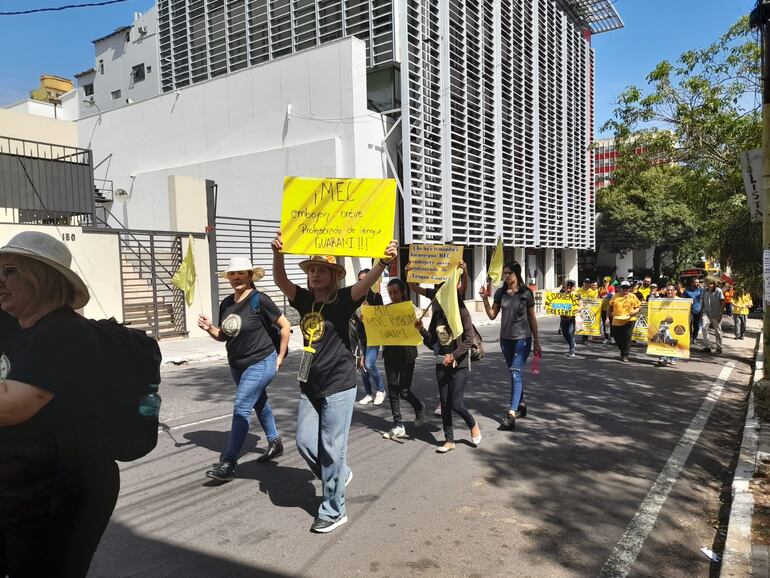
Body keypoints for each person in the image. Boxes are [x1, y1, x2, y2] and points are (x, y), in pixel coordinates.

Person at [0, 231, 119, 577]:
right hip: (17, 488)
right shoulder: (11, 325)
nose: (0, 280)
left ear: (41, 277)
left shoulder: (65, 333)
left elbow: (11, 407)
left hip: (63, 490)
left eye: (10, 271)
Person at [271, 233, 398, 533]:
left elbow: (365, 285)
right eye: (311, 270)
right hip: (310, 383)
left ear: (333, 275)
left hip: (339, 383)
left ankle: (333, 509)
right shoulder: (303, 300)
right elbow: (280, 280)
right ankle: (339, 474)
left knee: (331, 447)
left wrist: (382, 261)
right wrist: (278, 253)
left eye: (321, 270)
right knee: (304, 442)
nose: (314, 274)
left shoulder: (343, 300)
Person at [197, 257, 291, 482]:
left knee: (241, 408)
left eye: (241, 273)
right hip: (237, 365)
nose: (236, 278)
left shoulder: (260, 299)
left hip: (261, 361)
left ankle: (228, 462)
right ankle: (275, 442)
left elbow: (285, 326)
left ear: (250, 276)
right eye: (232, 274)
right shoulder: (226, 303)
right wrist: (210, 327)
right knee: (260, 402)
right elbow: (223, 336)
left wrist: (279, 357)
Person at [480, 261, 541, 431]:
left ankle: (511, 413)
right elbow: (492, 315)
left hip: (523, 339)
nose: (506, 276)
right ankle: (521, 405)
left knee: (515, 372)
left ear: (516, 274)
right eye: (505, 273)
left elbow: (532, 318)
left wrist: (537, 342)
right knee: (515, 373)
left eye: (509, 273)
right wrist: (485, 299)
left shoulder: (526, 293)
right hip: (505, 339)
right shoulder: (500, 293)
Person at [417, 292, 481, 453]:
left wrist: (453, 356)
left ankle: (472, 424)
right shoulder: (437, 314)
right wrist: (421, 330)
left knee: (456, 403)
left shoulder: (461, 311)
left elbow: (468, 339)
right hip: (441, 363)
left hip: (459, 364)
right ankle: (449, 440)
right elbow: (432, 341)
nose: (439, 300)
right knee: (444, 403)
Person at [408, 260, 468, 417]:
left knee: (452, 364)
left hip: (454, 332)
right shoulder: (434, 293)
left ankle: (451, 400)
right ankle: (444, 400)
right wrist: (410, 273)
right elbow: (414, 287)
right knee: (441, 362)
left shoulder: (454, 294)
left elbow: (463, 289)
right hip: (439, 332)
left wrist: (465, 272)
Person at [380, 278, 425, 440]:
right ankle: (398, 425)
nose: (393, 296)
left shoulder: (411, 309)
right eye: (390, 293)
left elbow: (419, 326)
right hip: (390, 354)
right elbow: (377, 328)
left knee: (404, 390)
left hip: (407, 354)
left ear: (402, 292)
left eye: (396, 292)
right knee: (392, 388)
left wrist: (418, 322)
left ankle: (419, 407)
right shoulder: (385, 310)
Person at [353, 268, 386, 406]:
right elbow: (353, 319)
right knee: (362, 366)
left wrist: (369, 313)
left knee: (369, 363)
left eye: (365, 279)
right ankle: (368, 393)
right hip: (361, 336)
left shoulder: (376, 297)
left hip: (373, 336)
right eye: (360, 280)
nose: (362, 282)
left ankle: (381, 389)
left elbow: (382, 318)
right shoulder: (355, 297)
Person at [608, 280, 642, 362]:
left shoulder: (632, 296)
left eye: (627, 288)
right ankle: (622, 349)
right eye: (623, 288)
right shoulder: (615, 296)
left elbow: (638, 307)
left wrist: (634, 312)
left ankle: (625, 355)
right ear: (620, 288)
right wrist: (607, 318)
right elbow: (610, 306)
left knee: (627, 337)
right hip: (617, 319)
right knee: (616, 336)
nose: (625, 290)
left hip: (629, 319)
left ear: (629, 288)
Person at [655, 284, 681, 366]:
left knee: (671, 340)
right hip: (664, 323)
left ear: (675, 291)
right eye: (668, 290)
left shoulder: (681, 301)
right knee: (663, 339)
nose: (669, 292)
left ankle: (673, 358)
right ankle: (663, 357)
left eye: (671, 290)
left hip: (676, 324)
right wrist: (655, 298)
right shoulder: (663, 300)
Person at [701, 279, 724, 354]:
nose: (709, 285)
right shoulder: (704, 291)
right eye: (708, 283)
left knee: (717, 331)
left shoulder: (718, 291)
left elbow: (722, 302)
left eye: (711, 283)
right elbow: (702, 301)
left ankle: (719, 348)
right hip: (706, 312)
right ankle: (706, 346)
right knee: (704, 328)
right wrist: (702, 310)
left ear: (714, 284)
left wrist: (720, 314)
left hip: (716, 313)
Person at [559, 279, 577, 357]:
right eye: (568, 285)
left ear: (574, 287)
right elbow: (556, 303)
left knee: (570, 333)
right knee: (564, 333)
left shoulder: (576, 295)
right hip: (563, 317)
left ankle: (572, 350)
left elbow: (581, 305)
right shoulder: (561, 294)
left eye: (571, 286)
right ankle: (571, 344)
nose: (569, 287)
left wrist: (577, 310)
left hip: (571, 318)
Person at [577, 278, 598, 344]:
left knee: (587, 323)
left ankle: (586, 337)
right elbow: (576, 298)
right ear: (583, 283)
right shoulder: (578, 291)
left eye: (588, 283)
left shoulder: (592, 291)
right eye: (585, 282)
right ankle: (584, 337)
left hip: (589, 309)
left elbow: (595, 299)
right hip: (581, 309)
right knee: (581, 323)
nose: (586, 284)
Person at [599, 275, 615, 344]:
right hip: (603, 308)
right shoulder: (600, 288)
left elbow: (611, 296)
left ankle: (612, 337)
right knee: (605, 323)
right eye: (604, 281)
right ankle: (606, 337)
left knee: (611, 323)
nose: (605, 282)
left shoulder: (612, 287)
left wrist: (606, 289)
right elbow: (599, 297)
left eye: (606, 281)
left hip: (610, 308)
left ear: (609, 282)